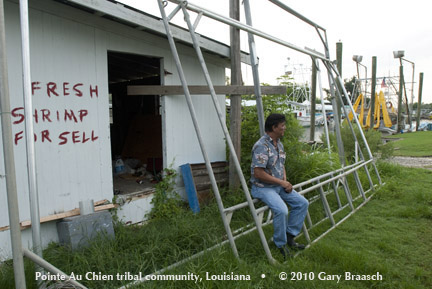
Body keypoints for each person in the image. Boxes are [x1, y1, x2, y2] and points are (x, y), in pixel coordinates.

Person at [250, 113, 309, 258]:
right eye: (282, 125)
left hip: (278, 186)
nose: (285, 128)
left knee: (302, 203)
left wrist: (285, 181)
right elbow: (258, 173)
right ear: (273, 127)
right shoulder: (261, 146)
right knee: (282, 210)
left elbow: (281, 164)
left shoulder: (279, 144)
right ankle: (280, 244)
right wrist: (282, 182)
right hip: (263, 187)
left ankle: (290, 236)